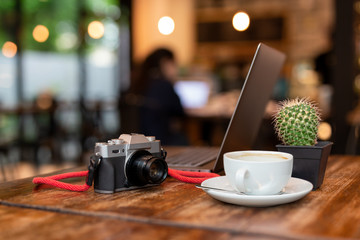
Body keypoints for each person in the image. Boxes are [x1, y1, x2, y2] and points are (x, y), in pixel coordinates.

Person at [123, 48, 187, 145]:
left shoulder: (139, 82)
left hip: (135, 141)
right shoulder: (164, 85)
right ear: (164, 62)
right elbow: (180, 112)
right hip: (161, 140)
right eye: (173, 63)